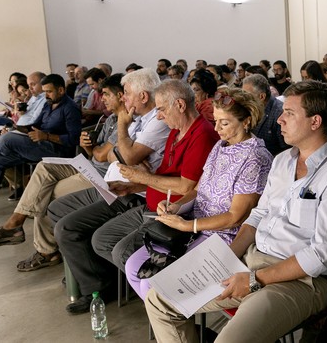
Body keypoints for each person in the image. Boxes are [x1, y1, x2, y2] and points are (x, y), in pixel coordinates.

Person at [145, 81, 327, 343]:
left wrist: (254, 279)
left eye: (289, 114)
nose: (280, 120)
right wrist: (224, 259)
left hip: (298, 281)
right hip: (251, 261)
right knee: (159, 300)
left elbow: (319, 255)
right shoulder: (284, 161)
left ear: (315, 122)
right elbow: (257, 217)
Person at [50, 78, 216, 314]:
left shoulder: (202, 135)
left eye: (161, 109)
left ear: (180, 105)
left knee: (120, 250)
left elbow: (185, 188)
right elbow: (162, 177)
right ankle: (139, 287)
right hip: (148, 201)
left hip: (170, 212)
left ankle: (161, 301)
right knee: (101, 239)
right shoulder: (176, 132)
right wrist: (131, 187)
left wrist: (141, 178)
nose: (159, 116)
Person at [125, 87, 273, 299]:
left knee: (154, 286)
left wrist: (187, 225)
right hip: (193, 227)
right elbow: (197, 189)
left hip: (221, 235)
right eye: (216, 121)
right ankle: (167, 318)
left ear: (247, 121)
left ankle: (170, 320)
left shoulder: (255, 157)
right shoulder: (221, 146)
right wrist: (177, 206)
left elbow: (235, 217)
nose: (218, 129)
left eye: (225, 123)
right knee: (133, 267)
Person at [0, 74, 127, 271]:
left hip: (98, 173)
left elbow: (101, 156)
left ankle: (45, 250)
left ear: (120, 96)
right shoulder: (111, 118)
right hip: (87, 163)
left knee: (44, 191)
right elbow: (94, 153)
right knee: (39, 167)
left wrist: (88, 148)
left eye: (106, 94)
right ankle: (15, 223)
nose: (102, 98)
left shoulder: (123, 121)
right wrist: (89, 147)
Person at [0, 74, 82, 226]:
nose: (46, 95)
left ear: (61, 90)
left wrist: (46, 136)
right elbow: (34, 126)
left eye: (49, 91)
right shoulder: (48, 104)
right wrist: (15, 128)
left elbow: (74, 140)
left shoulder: (70, 108)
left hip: (57, 151)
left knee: (7, 140)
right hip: (38, 145)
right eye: (45, 91)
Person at [242, 74, 289, 156]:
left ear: (261, 96)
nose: (244, 99)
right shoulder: (247, 109)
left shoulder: (280, 113)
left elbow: (287, 151)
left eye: (247, 95)